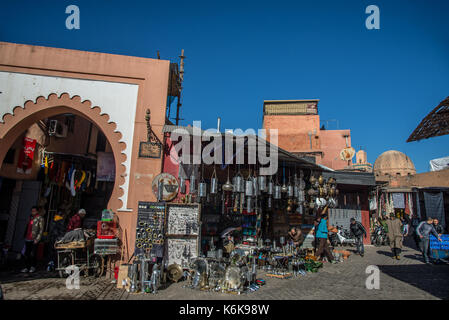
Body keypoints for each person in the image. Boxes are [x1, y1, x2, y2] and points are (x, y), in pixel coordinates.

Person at [21, 206, 44, 273]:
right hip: (27, 238)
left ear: (37, 211)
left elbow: (41, 229)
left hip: (34, 238)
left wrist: (38, 238)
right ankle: (26, 267)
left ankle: (32, 266)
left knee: (33, 254)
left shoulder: (40, 218)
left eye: (34, 211)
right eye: (32, 211)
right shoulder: (30, 218)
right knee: (26, 253)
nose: (32, 212)